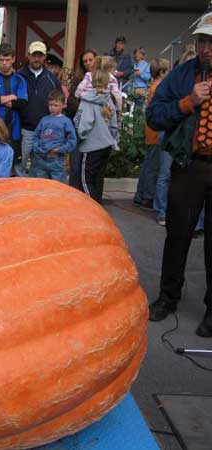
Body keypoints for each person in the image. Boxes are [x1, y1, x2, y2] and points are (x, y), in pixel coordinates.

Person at [145, 8, 212, 337]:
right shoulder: (183, 74)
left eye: (211, 42)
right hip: (191, 166)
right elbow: (154, 116)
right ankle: (168, 297)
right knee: (178, 235)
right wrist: (186, 103)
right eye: (201, 41)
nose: (204, 49)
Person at [17, 41, 62, 176]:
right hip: (24, 130)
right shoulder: (19, 76)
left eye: (40, 55)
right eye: (34, 55)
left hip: (45, 132)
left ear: (44, 57)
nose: (37, 59)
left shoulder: (52, 78)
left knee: (40, 168)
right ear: (29, 56)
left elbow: (59, 102)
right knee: (20, 165)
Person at [73, 69, 118, 203]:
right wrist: (112, 138)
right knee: (98, 178)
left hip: (91, 145)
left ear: (92, 82)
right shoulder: (109, 100)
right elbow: (114, 124)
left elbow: (83, 124)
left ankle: (91, 206)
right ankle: (97, 204)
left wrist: (79, 136)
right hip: (106, 144)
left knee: (85, 179)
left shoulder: (87, 101)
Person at [0, 43, 28, 172]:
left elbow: (23, 103)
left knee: (13, 169)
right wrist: (12, 97)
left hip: (14, 131)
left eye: (7, 60)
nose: (4, 63)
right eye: (1, 60)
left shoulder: (20, 80)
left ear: (13, 59)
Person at [134, 58, 169, 212]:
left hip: (151, 130)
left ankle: (141, 195)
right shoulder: (159, 86)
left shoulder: (153, 85)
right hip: (156, 131)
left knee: (148, 163)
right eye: (167, 71)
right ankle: (148, 196)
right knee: (153, 166)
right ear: (162, 72)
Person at [30, 89, 76, 182]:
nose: (53, 108)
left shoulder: (66, 121)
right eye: (50, 105)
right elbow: (36, 136)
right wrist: (38, 148)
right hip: (41, 159)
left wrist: (60, 149)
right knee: (42, 184)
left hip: (57, 159)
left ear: (63, 105)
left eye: (56, 105)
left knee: (58, 186)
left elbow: (72, 140)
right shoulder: (44, 120)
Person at [67, 49, 97, 190]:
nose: (88, 63)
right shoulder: (78, 79)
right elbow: (71, 102)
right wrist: (88, 106)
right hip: (79, 124)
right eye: (85, 61)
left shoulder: (105, 78)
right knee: (76, 162)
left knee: (92, 165)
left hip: (97, 127)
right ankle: (74, 192)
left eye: (90, 60)